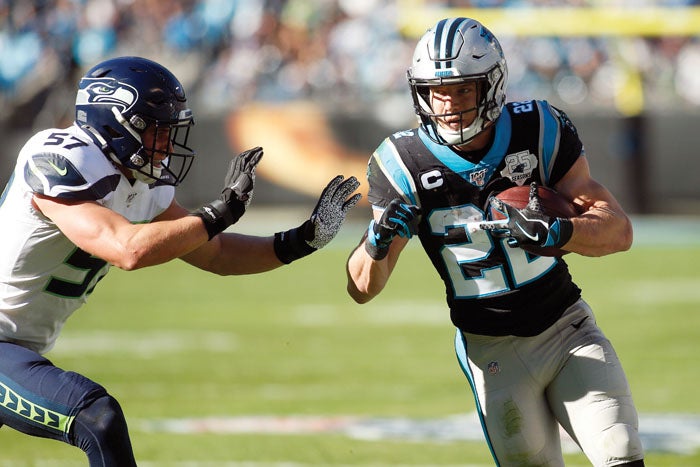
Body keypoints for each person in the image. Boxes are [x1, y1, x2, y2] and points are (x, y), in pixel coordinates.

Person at [0, 56, 361, 466]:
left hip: (18, 345)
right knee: (96, 417)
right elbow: (126, 249)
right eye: (156, 129)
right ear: (115, 123)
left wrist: (301, 241)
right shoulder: (60, 156)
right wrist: (218, 212)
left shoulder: (141, 184)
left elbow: (216, 252)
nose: (167, 144)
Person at [346, 17, 644, 467]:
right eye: (436, 90)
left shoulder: (538, 128)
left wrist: (562, 230)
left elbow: (618, 231)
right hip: (491, 352)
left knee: (620, 451)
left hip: (567, 330)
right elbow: (362, 289)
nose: (447, 104)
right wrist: (375, 242)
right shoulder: (400, 162)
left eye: (463, 89)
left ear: (493, 84)